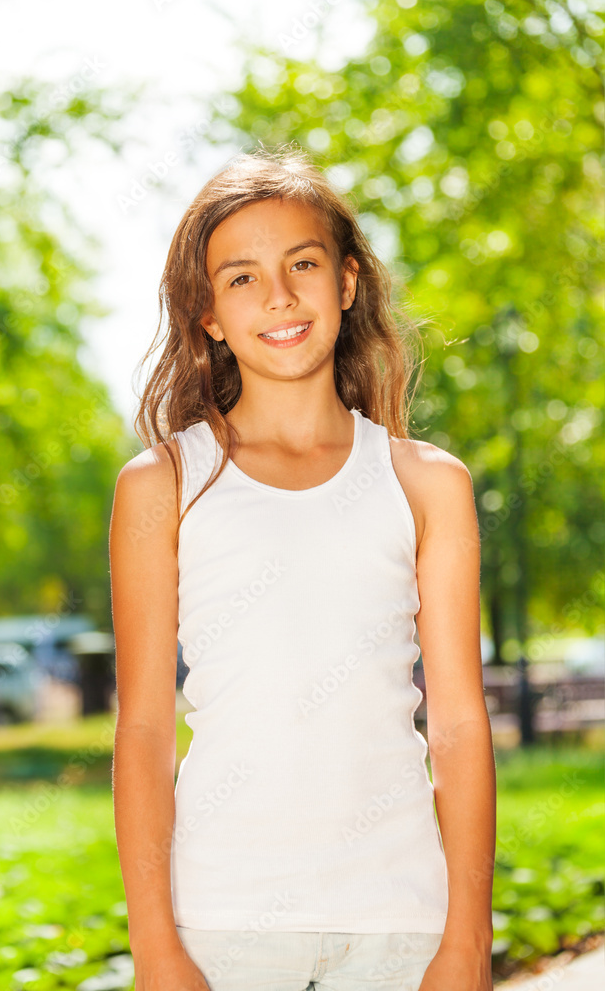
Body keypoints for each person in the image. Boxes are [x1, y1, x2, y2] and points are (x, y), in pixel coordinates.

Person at [109, 143, 496, 991]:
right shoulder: (162, 486)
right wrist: (157, 952)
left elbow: (461, 729)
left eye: (303, 264)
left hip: (403, 922)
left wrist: (464, 945)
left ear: (347, 283)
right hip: (220, 925)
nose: (278, 295)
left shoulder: (426, 484)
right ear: (207, 313)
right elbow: (141, 730)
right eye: (240, 277)